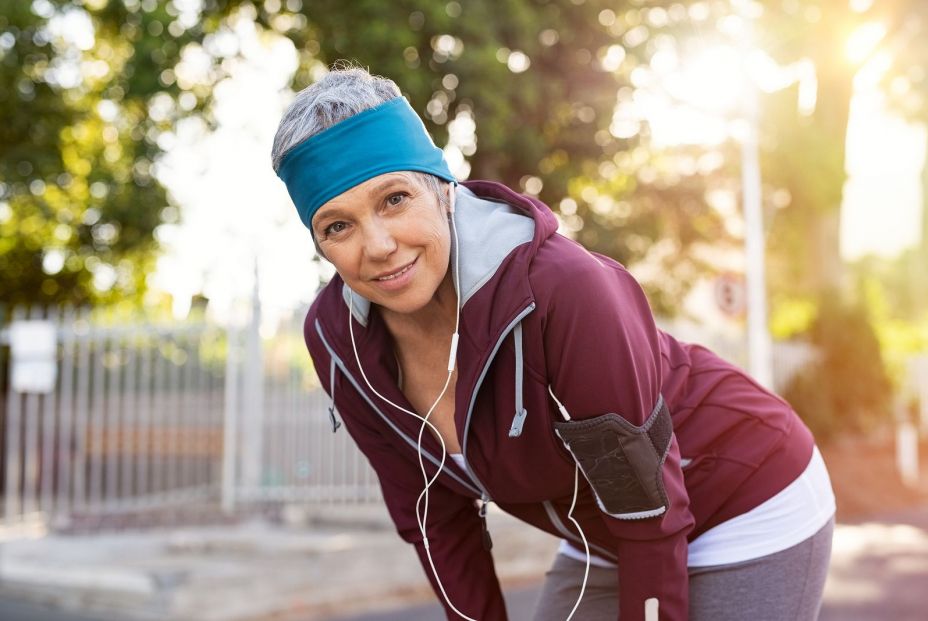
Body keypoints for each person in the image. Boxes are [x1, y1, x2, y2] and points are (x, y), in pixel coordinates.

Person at [271, 66, 835, 621]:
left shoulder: (559, 289)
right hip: (606, 534)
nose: (380, 245)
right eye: (337, 226)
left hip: (743, 497)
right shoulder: (336, 341)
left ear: (441, 189)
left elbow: (648, 510)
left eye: (394, 199)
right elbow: (434, 517)